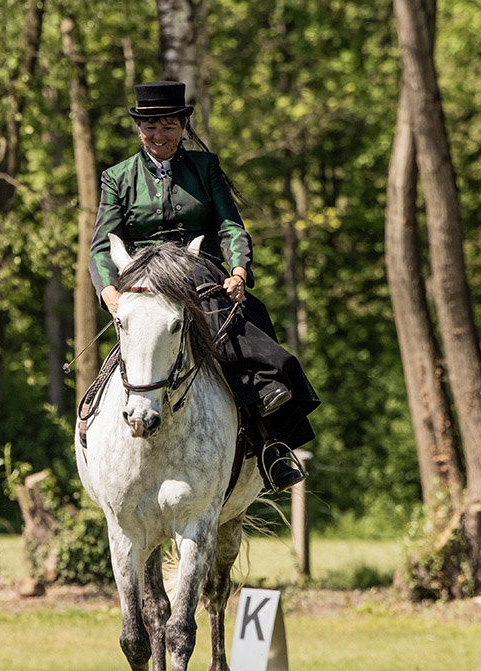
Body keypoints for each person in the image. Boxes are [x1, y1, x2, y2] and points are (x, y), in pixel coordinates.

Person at [88, 80, 318, 491]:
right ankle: (93, 428)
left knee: (247, 332)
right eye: (151, 127)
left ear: (182, 127)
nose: (160, 135)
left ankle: (271, 441)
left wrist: (239, 271)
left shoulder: (206, 167)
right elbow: (103, 244)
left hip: (201, 273)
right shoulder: (116, 178)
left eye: (169, 126)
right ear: (139, 129)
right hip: (143, 278)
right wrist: (109, 291)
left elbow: (231, 226)